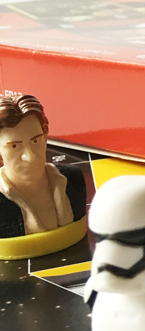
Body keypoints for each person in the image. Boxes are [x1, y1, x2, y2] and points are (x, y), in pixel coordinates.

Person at [0, 94, 86, 239]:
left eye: (35, 141)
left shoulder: (74, 179)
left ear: (45, 136)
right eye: (14, 146)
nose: (30, 157)